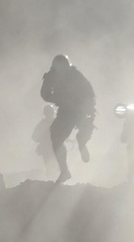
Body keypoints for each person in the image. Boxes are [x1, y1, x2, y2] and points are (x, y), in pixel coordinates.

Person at [39, 54, 96, 184]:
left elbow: (89, 95)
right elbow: (45, 95)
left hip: (81, 110)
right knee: (56, 138)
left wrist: (89, 113)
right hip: (65, 112)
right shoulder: (51, 76)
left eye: (63, 67)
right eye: (58, 68)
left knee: (84, 133)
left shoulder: (76, 76)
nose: (61, 70)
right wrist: (55, 96)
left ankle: (82, 143)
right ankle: (64, 171)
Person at [31, 104, 57, 178]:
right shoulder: (41, 125)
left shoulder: (57, 123)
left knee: (57, 166)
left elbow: (62, 134)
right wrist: (44, 138)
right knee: (49, 167)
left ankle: (56, 183)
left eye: (50, 113)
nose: (50, 115)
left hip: (57, 148)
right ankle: (51, 182)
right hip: (47, 149)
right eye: (48, 114)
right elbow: (34, 137)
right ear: (45, 114)